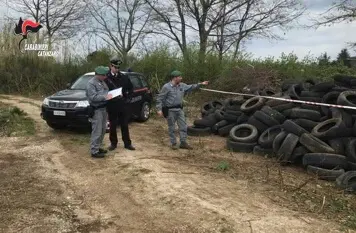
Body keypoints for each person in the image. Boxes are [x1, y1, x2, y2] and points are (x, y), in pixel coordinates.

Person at [156, 70, 209, 150]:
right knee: (172, 127)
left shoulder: (182, 85)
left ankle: (183, 142)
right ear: (174, 78)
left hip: (179, 110)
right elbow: (160, 98)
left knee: (183, 126)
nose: (181, 78)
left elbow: (191, 86)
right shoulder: (166, 87)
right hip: (170, 110)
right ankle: (173, 143)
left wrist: (201, 84)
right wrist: (159, 109)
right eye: (179, 77)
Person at [104, 57, 136, 151]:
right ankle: (113, 143)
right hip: (112, 104)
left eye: (118, 67)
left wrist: (128, 98)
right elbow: (102, 92)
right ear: (111, 66)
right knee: (113, 124)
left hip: (123, 104)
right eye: (115, 67)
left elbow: (131, 89)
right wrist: (108, 97)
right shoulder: (106, 78)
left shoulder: (124, 77)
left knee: (124, 124)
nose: (117, 69)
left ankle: (127, 143)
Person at [86, 66, 113, 158]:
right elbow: (93, 97)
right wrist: (105, 96)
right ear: (98, 74)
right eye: (103, 75)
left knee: (102, 130)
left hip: (104, 109)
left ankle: (98, 147)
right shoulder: (91, 83)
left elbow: (106, 91)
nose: (105, 76)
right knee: (97, 131)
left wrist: (110, 95)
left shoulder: (102, 82)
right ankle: (94, 151)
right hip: (96, 110)